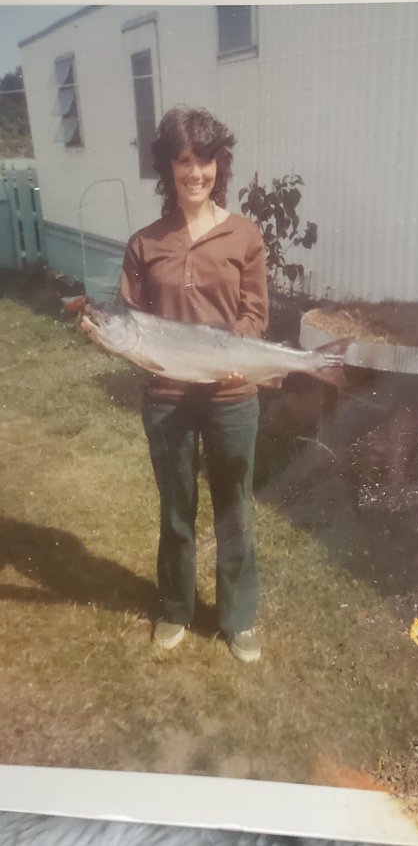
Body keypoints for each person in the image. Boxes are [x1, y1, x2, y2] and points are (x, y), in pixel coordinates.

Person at [85, 107, 268, 663]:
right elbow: (129, 319)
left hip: (232, 396)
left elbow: (254, 315)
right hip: (166, 399)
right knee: (176, 508)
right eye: (183, 160)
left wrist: (238, 354)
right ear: (167, 168)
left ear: (219, 164)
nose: (195, 172)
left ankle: (238, 619)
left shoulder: (245, 235)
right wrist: (106, 336)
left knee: (235, 507)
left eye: (205, 160)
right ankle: (176, 608)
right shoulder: (144, 244)